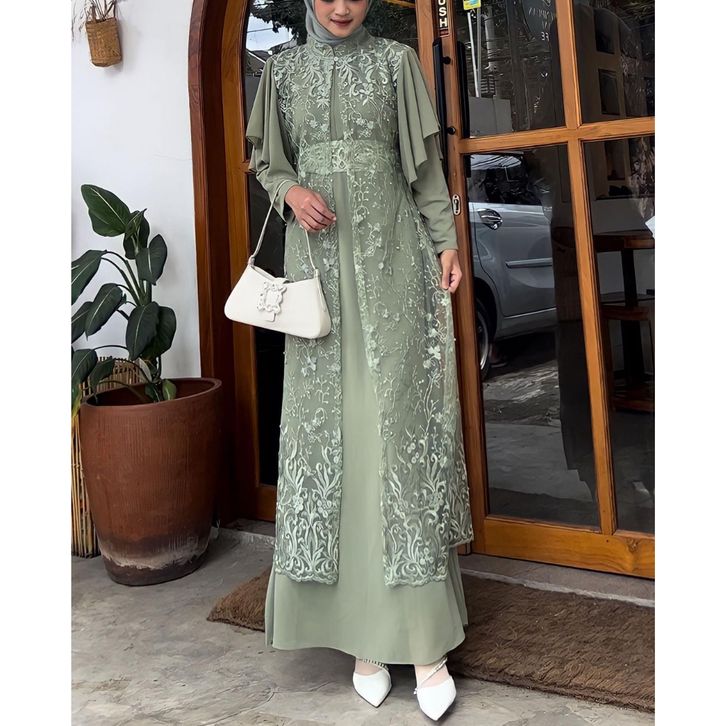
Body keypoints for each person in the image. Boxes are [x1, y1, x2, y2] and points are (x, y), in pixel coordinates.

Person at [245, 1, 474, 720]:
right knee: (334, 439)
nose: (341, 7)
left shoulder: (396, 62)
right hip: (318, 268)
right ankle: (361, 641)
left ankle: (423, 642)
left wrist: (445, 241)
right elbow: (267, 161)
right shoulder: (282, 71)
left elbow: (424, 169)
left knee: (396, 435)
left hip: (393, 263)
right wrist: (291, 191)